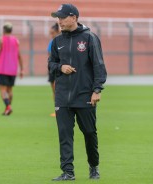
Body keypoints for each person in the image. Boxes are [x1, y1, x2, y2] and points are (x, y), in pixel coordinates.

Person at [48, 4, 107, 181]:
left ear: (74, 17)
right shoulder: (57, 41)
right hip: (62, 96)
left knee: (89, 132)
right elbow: (51, 65)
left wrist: (97, 90)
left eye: (62, 17)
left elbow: (99, 66)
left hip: (84, 95)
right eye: (58, 18)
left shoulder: (89, 38)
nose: (59, 21)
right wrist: (60, 67)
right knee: (65, 135)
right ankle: (68, 172)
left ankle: (94, 166)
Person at [0, 22, 24, 116]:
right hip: (13, 69)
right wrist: (22, 69)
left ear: (4, 30)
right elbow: (19, 55)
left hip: (3, 68)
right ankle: (7, 109)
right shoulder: (16, 40)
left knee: (3, 90)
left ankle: (8, 107)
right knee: (10, 90)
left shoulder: (1, 40)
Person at [47, 23, 61, 117]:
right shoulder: (52, 41)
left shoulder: (60, 41)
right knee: (54, 91)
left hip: (59, 68)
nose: (51, 35)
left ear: (57, 32)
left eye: (52, 33)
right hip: (52, 68)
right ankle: (57, 110)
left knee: (58, 90)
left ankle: (60, 110)